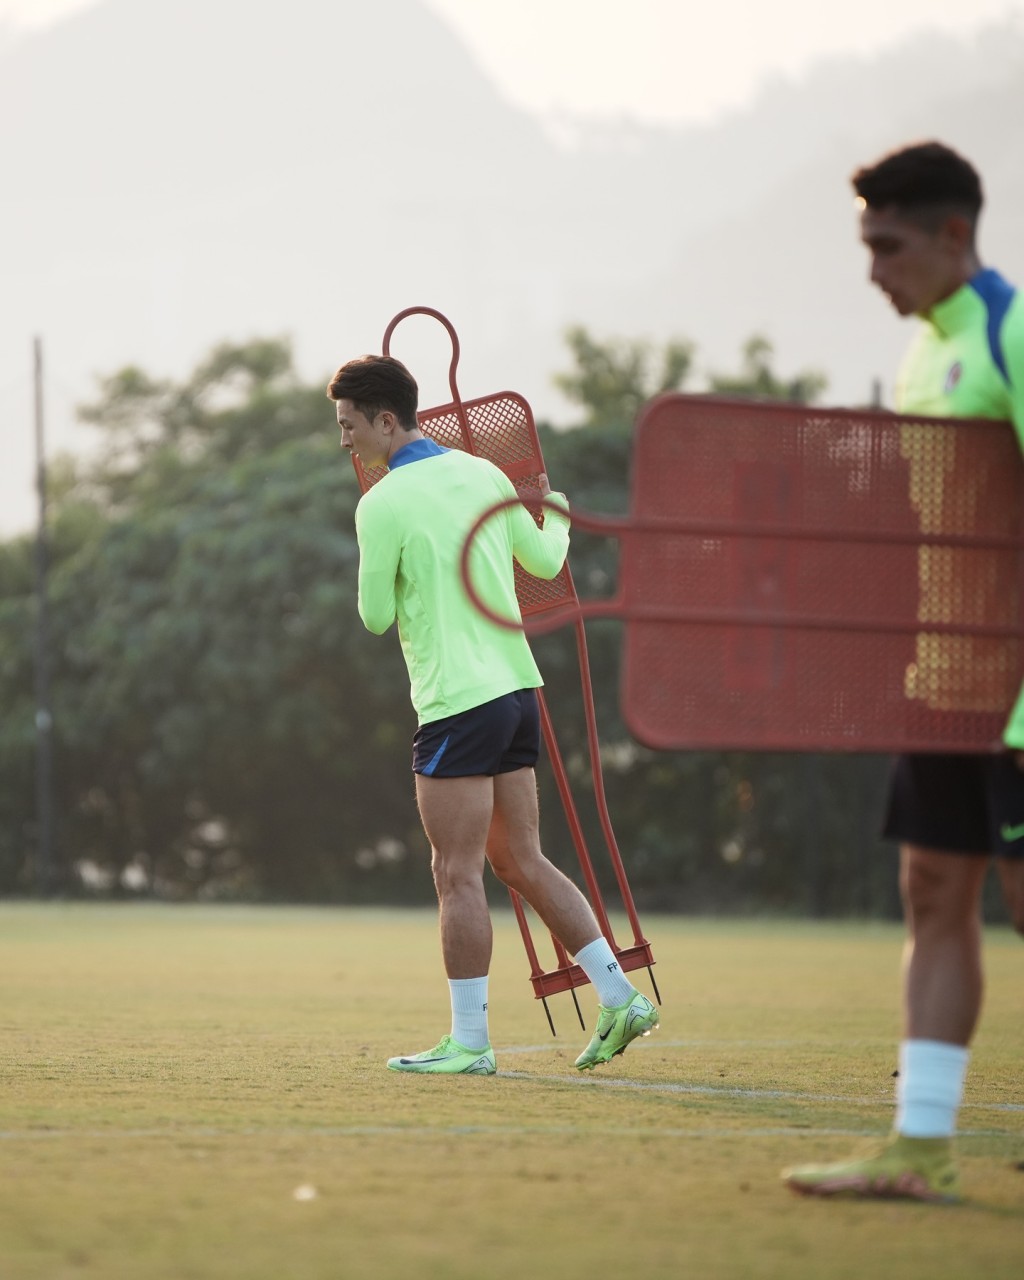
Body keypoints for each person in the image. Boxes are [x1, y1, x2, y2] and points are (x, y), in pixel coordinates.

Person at [784, 141, 1024, 1203]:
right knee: (932, 890)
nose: (873, 269)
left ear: (954, 235)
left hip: (1019, 687)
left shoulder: (1011, 333)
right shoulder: (922, 355)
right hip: (942, 678)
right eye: (864, 246)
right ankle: (919, 1145)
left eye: (888, 246)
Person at [327, 353, 658, 1074]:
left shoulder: (379, 503)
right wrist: (556, 507)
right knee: (520, 859)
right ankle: (620, 995)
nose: (345, 441)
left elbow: (375, 615)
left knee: (457, 872)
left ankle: (471, 1044)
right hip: (515, 693)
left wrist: (384, 557)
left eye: (350, 427)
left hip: (455, 703)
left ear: (387, 421)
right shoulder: (483, 475)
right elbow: (544, 561)